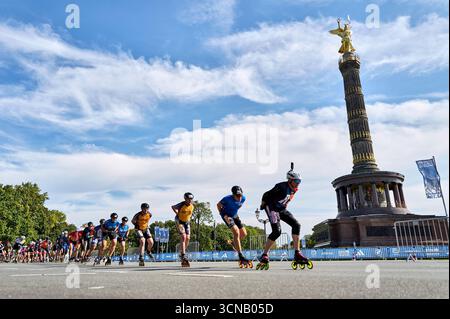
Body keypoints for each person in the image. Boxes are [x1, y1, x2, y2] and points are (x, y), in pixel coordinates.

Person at [257, 165, 311, 270]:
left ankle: (297, 253)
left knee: (296, 225)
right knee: (277, 232)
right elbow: (266, 194)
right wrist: (263, 204)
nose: (298, 184)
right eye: (296, 182)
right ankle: (264, 254)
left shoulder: (294, 189)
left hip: (281, 209)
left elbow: (287, 198)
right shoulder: (280, 187)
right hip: (272, 208)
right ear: (290, 180)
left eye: (299, 182)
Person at [217, 186, 252, 268]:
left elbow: (238, 206)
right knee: (236, 232)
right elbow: (218, 205)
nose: (239, 197)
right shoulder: (227, 199)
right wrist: (223, 215)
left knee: (243, 234)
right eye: (237, 196)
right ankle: (240, 255)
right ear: (233, 195)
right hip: (227, 216)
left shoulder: (243, 198)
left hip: (235, 215)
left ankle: (233, 243)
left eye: (240, 195)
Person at [172, 192, 195, 267]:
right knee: (183, 237)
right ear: (185, 199)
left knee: (188, 238)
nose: (190, 200)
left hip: (186, 222)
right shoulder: (181, 204)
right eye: (188, 199)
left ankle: (182, 251)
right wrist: (177, 213)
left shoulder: (192, 205)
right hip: (179, 221)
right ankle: (183, 255)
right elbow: (173, 207)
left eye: (191, 199)